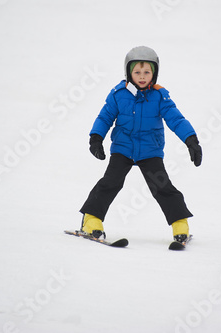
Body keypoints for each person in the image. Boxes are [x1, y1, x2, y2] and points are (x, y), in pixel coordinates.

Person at [79, 46, 202, 244]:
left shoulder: (160, 96)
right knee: (110, 183)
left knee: (161, 186)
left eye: (147, 72)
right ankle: (91, 220)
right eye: (137, 72)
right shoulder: (119, 94)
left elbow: (176, 119)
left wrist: (190, 139)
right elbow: (105, 116)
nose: (142, 77)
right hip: (123, 148)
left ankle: (180, 224)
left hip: (149, 150)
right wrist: (96, 137)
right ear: (129, 73)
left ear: (154, 73)